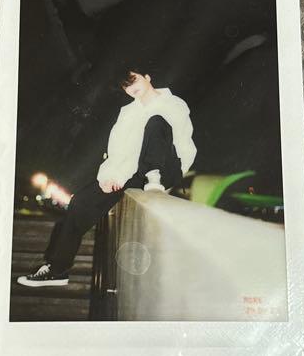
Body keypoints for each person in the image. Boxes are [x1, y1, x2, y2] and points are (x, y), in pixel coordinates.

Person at [17, 67, 197, 287]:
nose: (131, 88)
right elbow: (118, 149)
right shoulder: (128, 112)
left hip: (166, 167)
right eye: (126, 86)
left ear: (147, 77)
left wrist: (175, 175)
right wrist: (109, 176)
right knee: (80, 202)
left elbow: (184, 144)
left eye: (134, 80)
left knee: (156, 122)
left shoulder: (174, 104)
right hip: (135, 172)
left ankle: (154, 177)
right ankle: (57, 269)